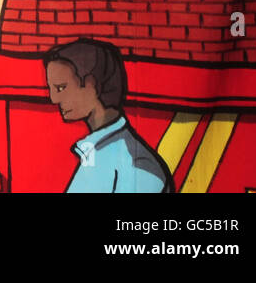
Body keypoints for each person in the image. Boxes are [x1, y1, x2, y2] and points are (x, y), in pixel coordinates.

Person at [43, 38, 173, 193]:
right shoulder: (96, 154)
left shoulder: (137, 165)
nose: (53, 99)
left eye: (60, 88)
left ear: (92, 84)